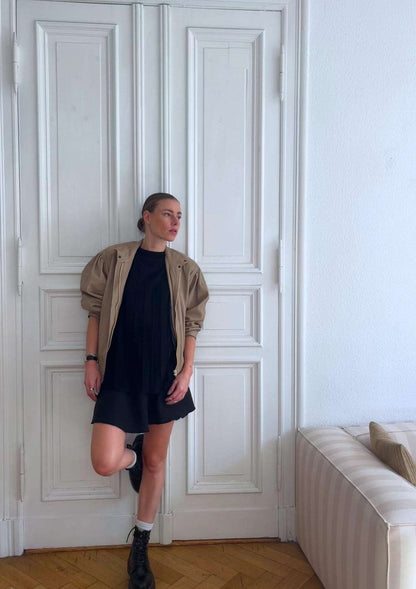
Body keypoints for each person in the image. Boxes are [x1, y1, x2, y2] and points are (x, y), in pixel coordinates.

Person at [80, 193, 209, 589]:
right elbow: (95, 311)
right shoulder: (115, 259)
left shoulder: (185, 268)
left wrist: (186, 371)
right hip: (119, 374)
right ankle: (130, 458)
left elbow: (191, 324)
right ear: (147, 216)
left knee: (157, 463)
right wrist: (90, 361)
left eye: (179, 216)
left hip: (163, 378)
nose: (175, 222)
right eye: (167, 214)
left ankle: (141, 545)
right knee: (105, 461)